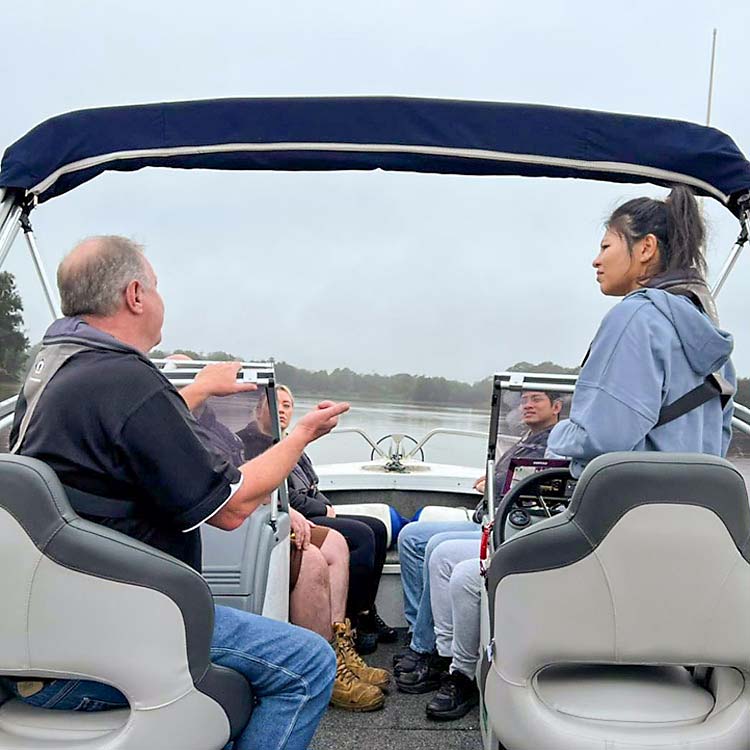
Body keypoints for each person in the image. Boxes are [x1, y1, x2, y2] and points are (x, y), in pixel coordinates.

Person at [5, 235, 347, 750]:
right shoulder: (125, 378)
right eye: (158, 288)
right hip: (118, 629)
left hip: (43, 626)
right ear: (136, 294)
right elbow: (231, 509)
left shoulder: (57, 368)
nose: (161, 300)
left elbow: (127, 432)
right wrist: (299, 436)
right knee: (308, 664)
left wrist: (199, 390)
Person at [179, 365, 387, 712]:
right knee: (316, 557)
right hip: (233, 528)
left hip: (261, 515)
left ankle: (338, 647)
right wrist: (285, 507)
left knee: (336, 542)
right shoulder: (184, 431)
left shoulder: (216, 430)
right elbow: (224, 491)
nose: (284, 410)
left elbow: (241, 477)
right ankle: (326, 665)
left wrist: (286, 507)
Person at [548, 185, 736, 473]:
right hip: (690, 508)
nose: (596, 260)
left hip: (628, 509)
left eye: (606, 246)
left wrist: (555, 433)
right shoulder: (707, 333)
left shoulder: (635, 316)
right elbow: (720, 437)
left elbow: (603, 436)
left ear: (646, 248)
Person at [395, 391, 562, 694]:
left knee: (438, 551)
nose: (527, 405)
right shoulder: (526, 438)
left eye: (536, 399)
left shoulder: (556, 442)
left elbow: (532, 482)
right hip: (486, 518)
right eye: (523, 399)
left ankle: (428, 647)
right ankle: (418, 632)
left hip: (509, 525)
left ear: (557, 407)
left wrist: (493, 482)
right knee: (411, 537)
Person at [241, 385, 397, 656]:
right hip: (296, 515)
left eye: (288, 406)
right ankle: (353, 622)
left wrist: (325, 505)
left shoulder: (290, 442)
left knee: (378, 528)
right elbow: (283, 496)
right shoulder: (254, 444)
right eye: (274, 404)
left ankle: (366, 611)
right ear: (258, 409)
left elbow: (312, 485)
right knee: (361, 536)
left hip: (314, 510)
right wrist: (324, 511)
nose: (282, 410)